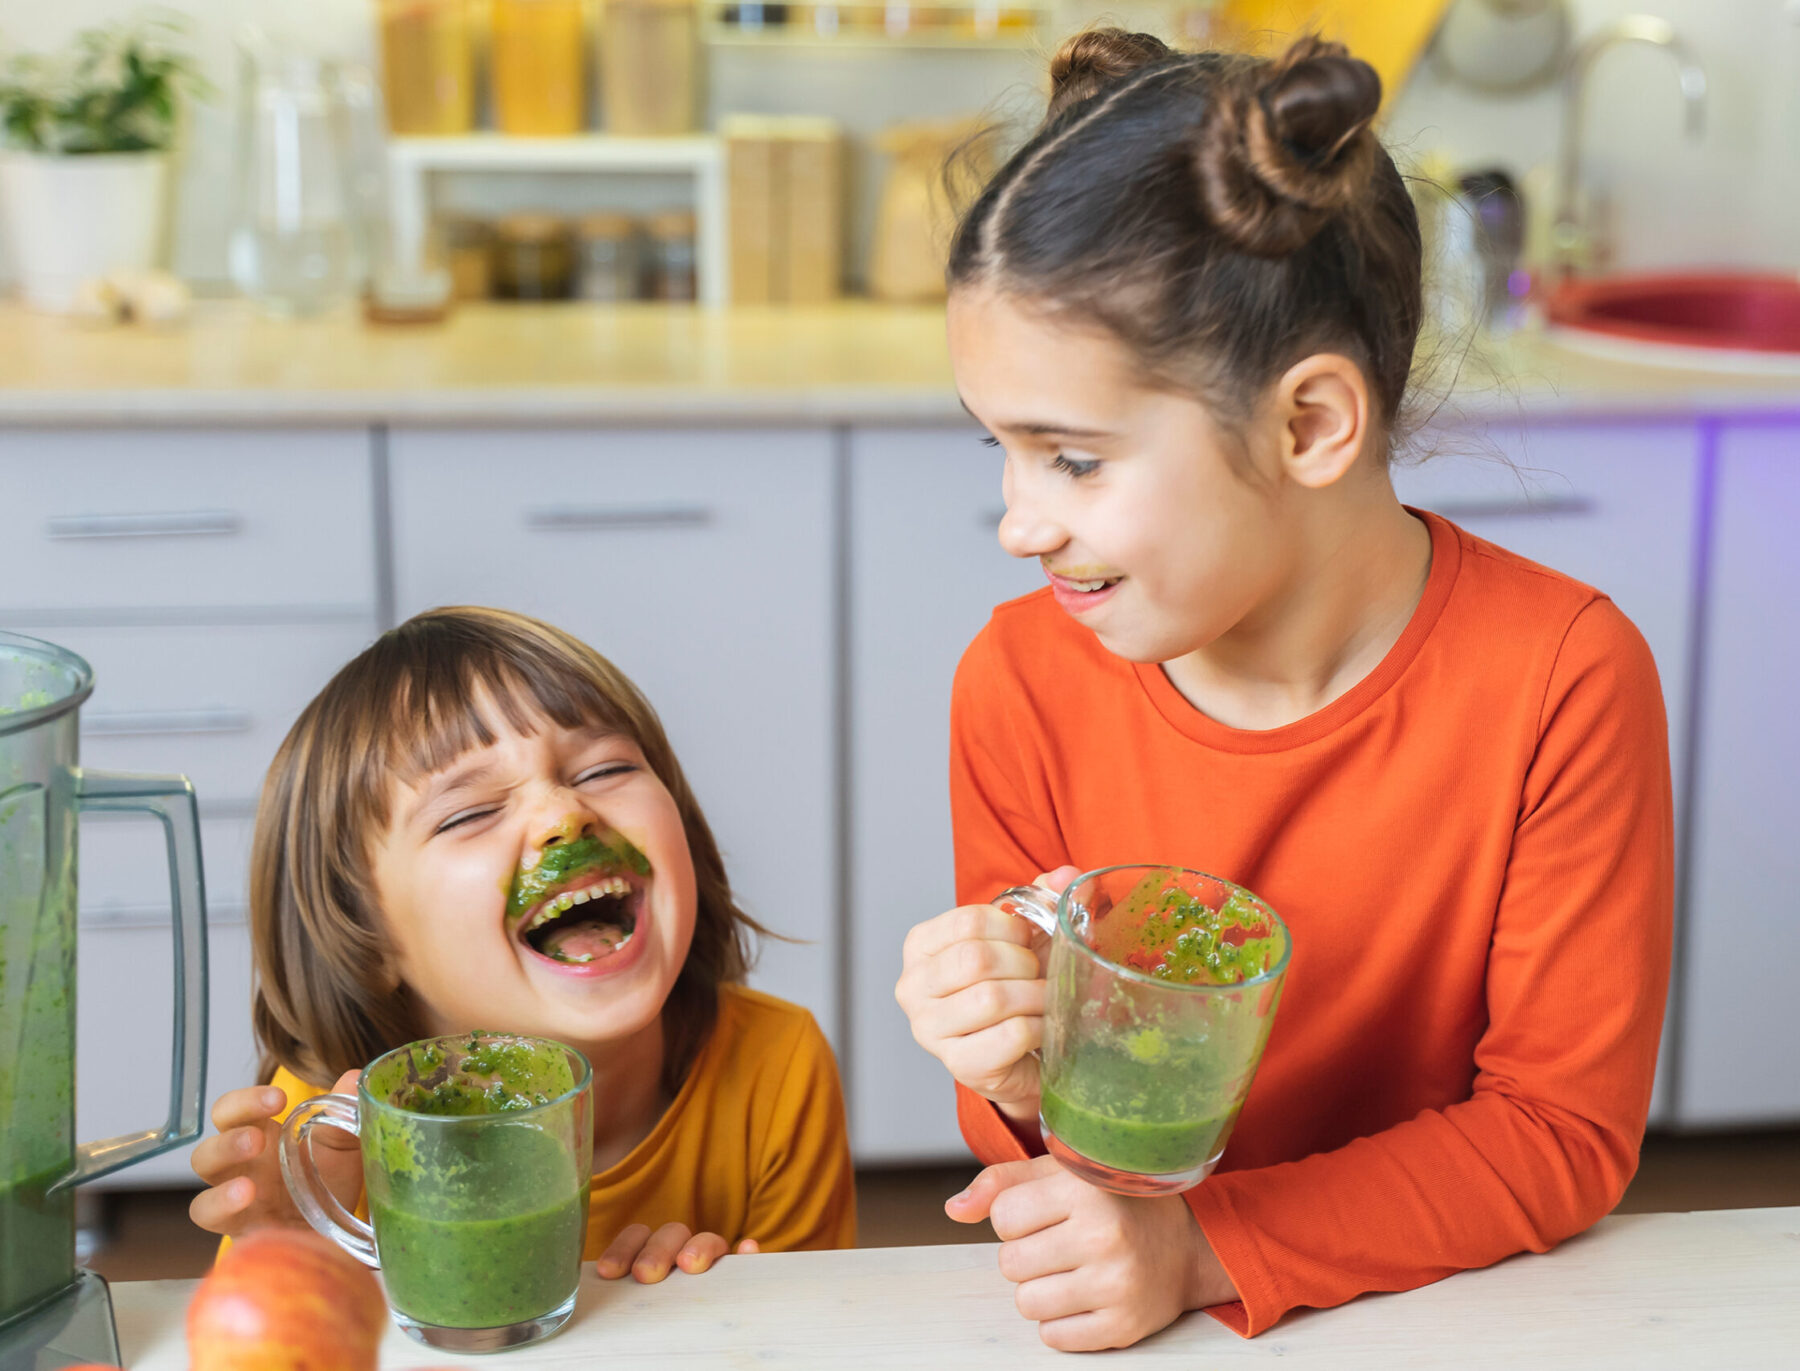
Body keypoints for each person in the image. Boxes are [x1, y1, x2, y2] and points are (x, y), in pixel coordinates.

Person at [894, 27, 1673, 1352]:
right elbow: (1060, 1160)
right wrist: (1018, 1064)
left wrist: (1208, 1246)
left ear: (1309, 423)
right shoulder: (1018, 679)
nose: (1018, 521)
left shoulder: (1562, 676)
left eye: (1073, 459)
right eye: (1003, 453)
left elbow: (1560, 1129)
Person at [190, 606, 855, 1279]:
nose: (565, 815)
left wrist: (705, 1317)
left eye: (602, 770)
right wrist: (290, 1260)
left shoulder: (776, 1068)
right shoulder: (332, 1129)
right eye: (471, 812)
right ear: (368, 942)